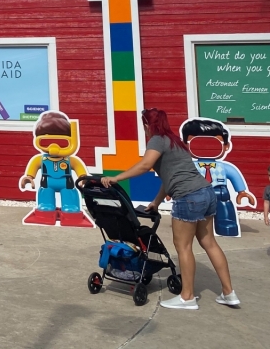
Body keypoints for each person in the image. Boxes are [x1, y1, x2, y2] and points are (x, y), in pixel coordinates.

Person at [100, 108, 239, 310]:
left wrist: (116, 178)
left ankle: (187, 297)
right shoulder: (174, 141)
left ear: (147, 125)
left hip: (188, 197)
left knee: (183, 247)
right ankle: (229, 294)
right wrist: (156, 202)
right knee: (209, 243)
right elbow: (170, 176)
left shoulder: (156, 139)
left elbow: (145, 165)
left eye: (143, 124)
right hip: (206, 193)